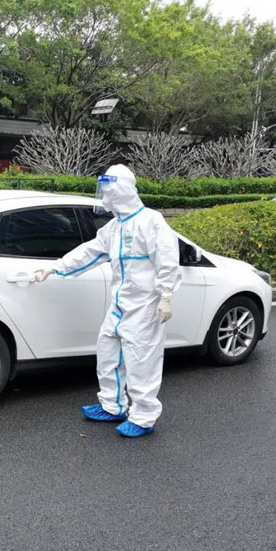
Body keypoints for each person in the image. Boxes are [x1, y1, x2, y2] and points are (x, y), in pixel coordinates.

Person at [34, 164, 181, 438]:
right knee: (108, 352)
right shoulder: (115, 227)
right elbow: (89, 252)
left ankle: (143, 416)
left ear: (121, 190)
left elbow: (168, 259)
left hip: (145, 305)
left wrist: (166, 296)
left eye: (109, 190)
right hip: (120, 303)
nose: (105, 197)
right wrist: (55, 268)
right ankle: (112, 405)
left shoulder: (151, 221)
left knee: (142, 360)